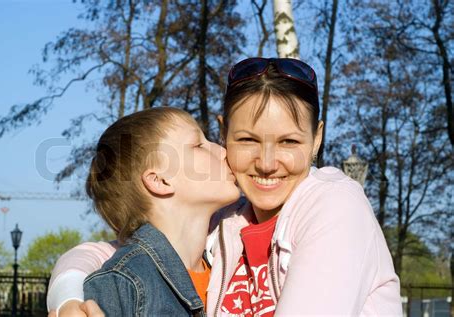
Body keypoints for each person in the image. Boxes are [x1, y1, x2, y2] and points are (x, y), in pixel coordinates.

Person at [47, 58, 402, 316]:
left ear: (317, 139)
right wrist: (67, 300)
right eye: (247, 139)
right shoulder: (224, 226)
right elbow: (104, 256)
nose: (266, 162)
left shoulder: (334, 204)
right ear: (224, 134)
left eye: (289, 142)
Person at [60, 107, 240, 316]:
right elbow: (86, 256)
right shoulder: (125, 285)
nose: (224, 151)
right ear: (160, 181)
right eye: (198, 145)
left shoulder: (232, 260)